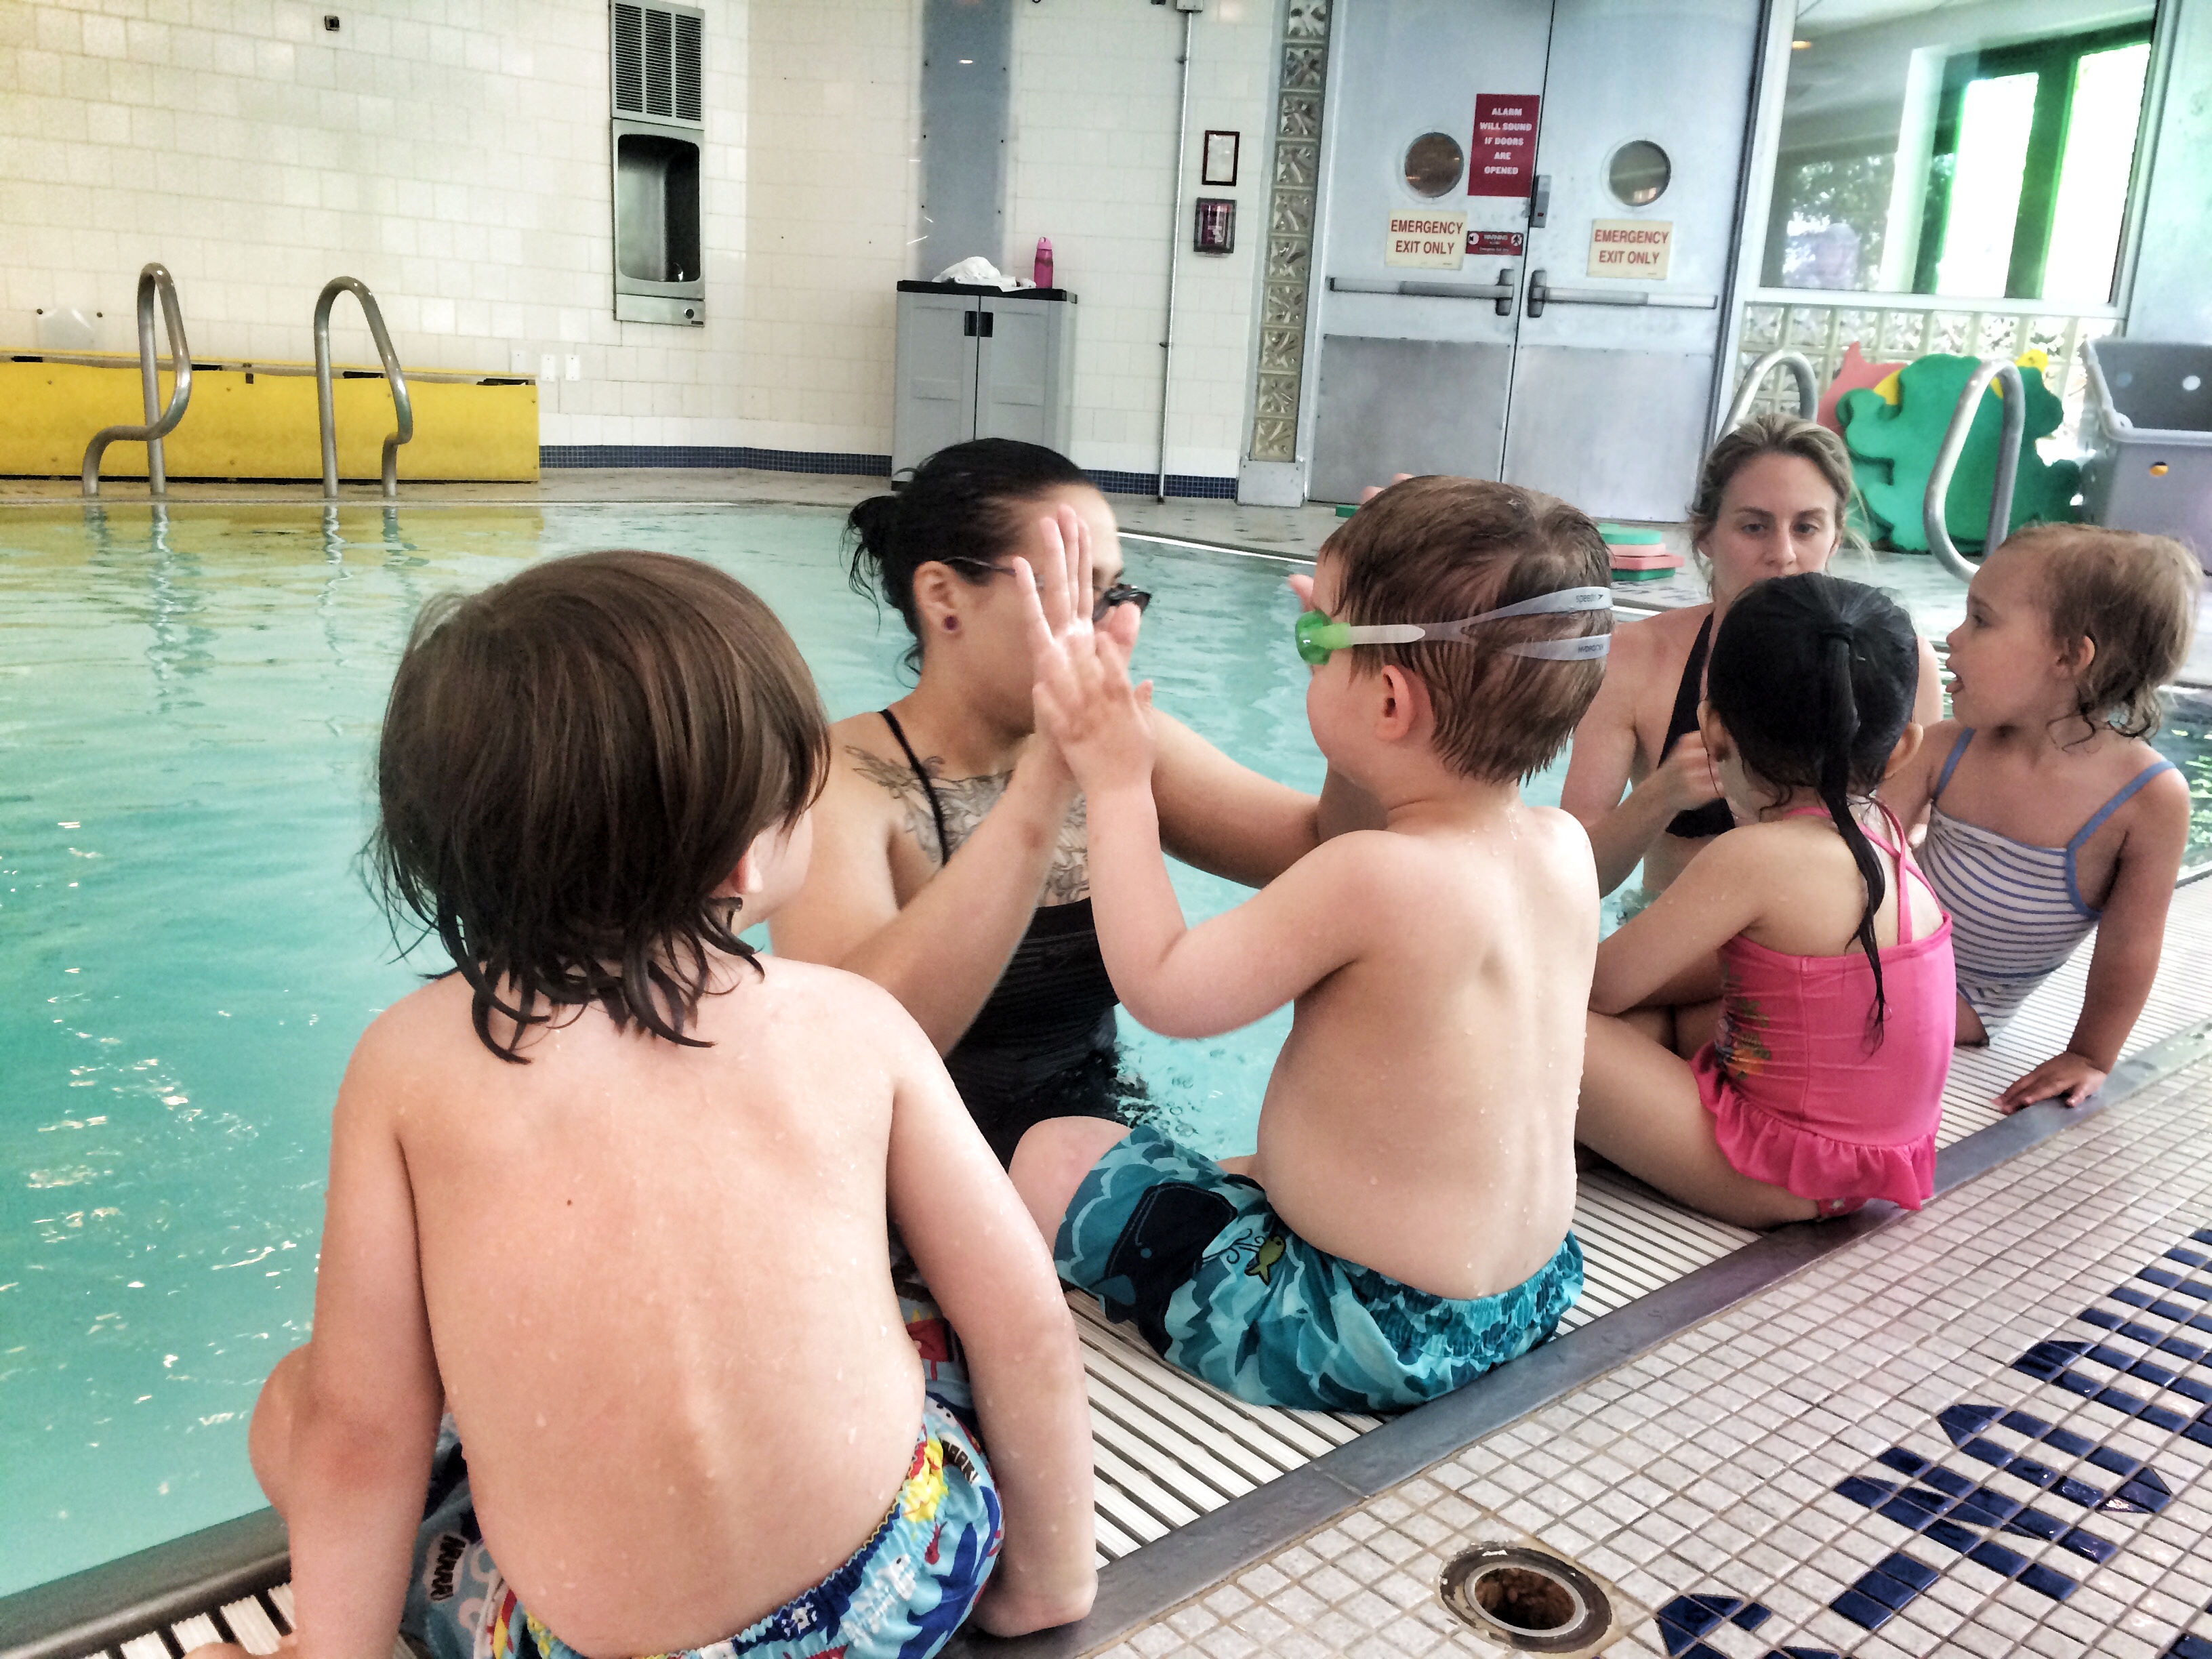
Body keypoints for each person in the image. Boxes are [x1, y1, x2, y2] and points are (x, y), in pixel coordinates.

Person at [186, 552, 1095, 1659]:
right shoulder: (853, 1021)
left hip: (583, 1646)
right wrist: (1040, 1582)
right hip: (892, 1589)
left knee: (299, 1403)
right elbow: (1025, 1324)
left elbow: (362, 1429)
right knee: (933, 1321)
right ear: (738, 855)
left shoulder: (406, 1067)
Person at [1006, 477, 1607, 1413]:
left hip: (1366, 1328)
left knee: (1052, 1156)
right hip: (1527, 1297)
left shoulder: (1371, 876)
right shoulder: (1564, 850)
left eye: (1314, 644)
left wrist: (1120, 783)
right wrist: (1345, 631)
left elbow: (1166, 990)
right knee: (1253, 1162)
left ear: (1393, 700)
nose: (1306, 659)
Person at [772, 438, 1375, 1163]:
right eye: (1079, 588)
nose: (1109, 622)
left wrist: (1362, 683)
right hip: (925, 1184)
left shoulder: (1121, 741)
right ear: (944, 598)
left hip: (1100, 1167)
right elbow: (842, 1059)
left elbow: (1336, 851)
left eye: (1115, 591)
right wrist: (1049, 777)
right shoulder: (847, 780)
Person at [1578, 573, 1955, 1227]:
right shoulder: (1889, 843)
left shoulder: (1749, 858)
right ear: (1902, 751)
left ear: (1714, 728)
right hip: (1877, 1161)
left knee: (1550, 1024)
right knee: (1664, 1016)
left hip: (1782, 1175)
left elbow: (1598, 989)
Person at [1561, 415, 1944, 900]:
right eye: (1754, 526)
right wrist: (1661, 796)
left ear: (1836, 537)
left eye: (1806, 527)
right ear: (1705, 535)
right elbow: (1569, 879)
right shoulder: (1638, 659)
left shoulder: (1905, 664)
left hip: (1822, 960)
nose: (1782, 553)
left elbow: (1914, 850)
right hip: (1668, 955)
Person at [1883, 525, 2199, 1110]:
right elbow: (1853, 853)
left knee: (1813, 1012)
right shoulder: (1948, 746)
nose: (1953, 635)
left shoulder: (2147, 798)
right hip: (1882, 948)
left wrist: (2090, 1055)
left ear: (2069, 656)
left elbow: (2129, 947)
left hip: (1966, 995)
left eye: (1982, 620)